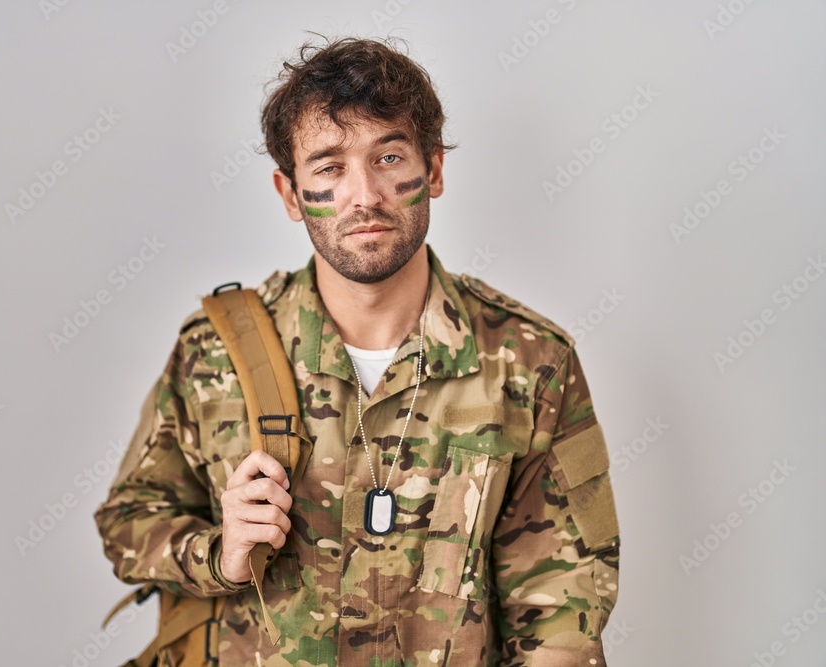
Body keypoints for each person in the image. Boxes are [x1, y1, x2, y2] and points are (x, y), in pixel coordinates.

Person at [94, 35, 620, 666]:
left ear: (434, 171)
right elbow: (128, 522)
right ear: (291, 195)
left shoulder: (530, 361)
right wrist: (220, 551)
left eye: (389, 157)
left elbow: (562, 601)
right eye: (329, 167)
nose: (364, 195)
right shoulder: (214, 355)